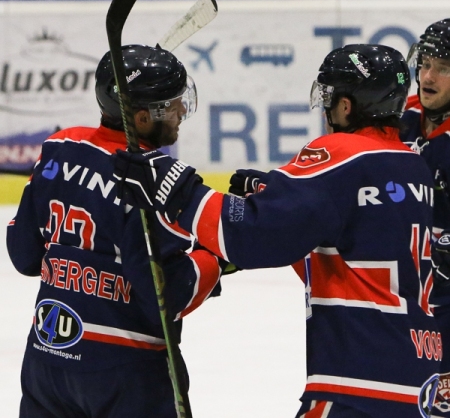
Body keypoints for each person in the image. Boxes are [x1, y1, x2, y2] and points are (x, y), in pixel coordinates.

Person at [113, 44, 441, 417]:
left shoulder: (339, 154)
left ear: (346, 106)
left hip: (359, 388)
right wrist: (282, 199)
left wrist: (178, 189)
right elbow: (344, 255)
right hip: (423, 386)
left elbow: (255, 237)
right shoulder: (413, 166)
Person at [7, 44, 228, 418]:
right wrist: (215, 260)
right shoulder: (152, 178)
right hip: (127, 367)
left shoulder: (59, 147)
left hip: (47, 361)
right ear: (142, 118)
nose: (181, 112)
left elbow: (23, 253)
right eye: (172, 104)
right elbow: (167, 294)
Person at [400, 18, 450, 417]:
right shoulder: (399, 118)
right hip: (403, 307)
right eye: (425, 63)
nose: (427, 76)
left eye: (443, 68)